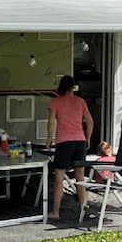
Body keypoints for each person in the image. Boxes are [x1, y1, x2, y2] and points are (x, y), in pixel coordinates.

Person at [46, 75, 94, 220]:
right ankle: (82, 208)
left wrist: (49, 138)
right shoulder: (81, 101)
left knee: (59, 178)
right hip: (79, 142)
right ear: (73, 87)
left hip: (64, 143)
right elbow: (90, 121)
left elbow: (51, 121)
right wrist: (88, 138)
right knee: (80, 177)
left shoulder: (55, 102)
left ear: (60, 87)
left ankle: (55, 212)